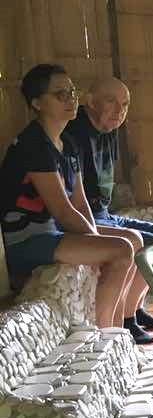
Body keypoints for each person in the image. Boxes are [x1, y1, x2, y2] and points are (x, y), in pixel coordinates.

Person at [0, 65, 134, 329]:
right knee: (121, 250)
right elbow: (63, 211)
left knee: (126, 244)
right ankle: (108, 332)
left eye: (72, 92)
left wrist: (94, 240)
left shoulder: (67, 143)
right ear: (37, 103)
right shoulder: (34, 145)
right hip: (25, 241)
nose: (71, 99)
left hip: (52, 235)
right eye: (60, 94)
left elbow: (80, 203)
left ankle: (119, 333)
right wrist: (96, 244)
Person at [65, 77, 153, 344]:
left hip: (104, 213)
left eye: (125, 104)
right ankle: (127, 320)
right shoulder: (74, 134)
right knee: (146, 242)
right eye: (111, 101)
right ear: (90, 101)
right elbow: (76, 199)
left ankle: (135, 310)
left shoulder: (110, 131)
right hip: (88, 217)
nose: (119, 110)